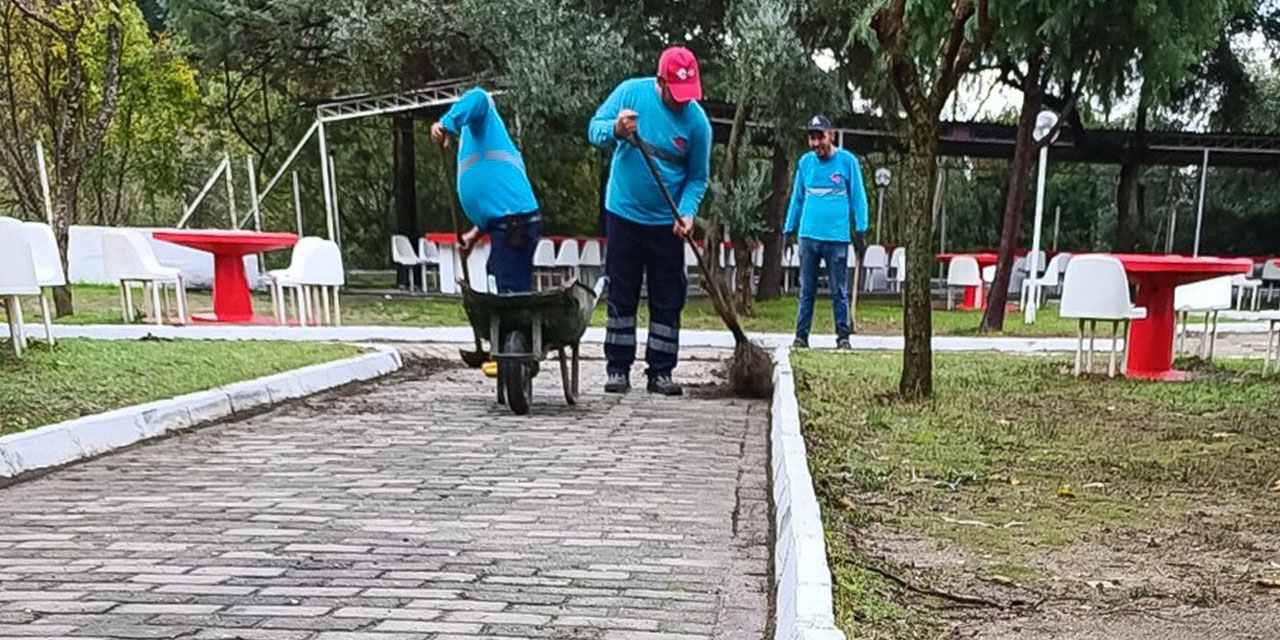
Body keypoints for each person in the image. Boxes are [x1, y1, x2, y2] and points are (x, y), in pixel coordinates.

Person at [588, 46, 712, 396]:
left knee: (668, 297)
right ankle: (617, 368)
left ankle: (661, 372)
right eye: (677, 92)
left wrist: (686, 212)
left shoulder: (697, 123)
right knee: (622, 292)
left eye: (689, 94)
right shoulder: (631, 93)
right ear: (660, 81)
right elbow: (593, 129)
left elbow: (698, 177)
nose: (683, 101)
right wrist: (615, 129)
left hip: (667, 222)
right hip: (623, 213)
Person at [430, 86, 541, 293]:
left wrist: (445, 124)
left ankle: (514, 325)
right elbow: (494, 203)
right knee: (504, 284)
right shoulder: (480, 140)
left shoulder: (484, 112)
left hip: (513, 224)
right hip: (509, 222)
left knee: (509, 292)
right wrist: (473, 236)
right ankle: (511, 324)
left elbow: (478, 96)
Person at [783, 114, 869, 349]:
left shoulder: (847, 162)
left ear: (830, 135)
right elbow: (797, 197)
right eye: (812, 138)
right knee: (806, 289)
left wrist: (861, 230)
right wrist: (789, 228)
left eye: (820, 136)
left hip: (837, 238)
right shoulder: (805, 163)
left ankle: (843, 336)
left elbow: (858, 198)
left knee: (838, 290)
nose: (816, 143)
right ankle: (801, 336)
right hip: (808, 236)